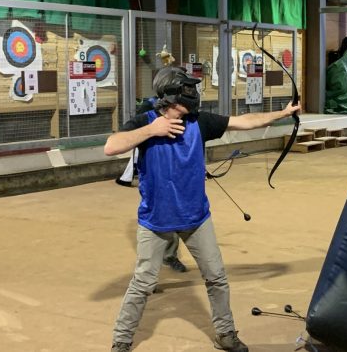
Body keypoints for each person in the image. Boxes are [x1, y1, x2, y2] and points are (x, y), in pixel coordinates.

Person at [106, 66, 300, 352]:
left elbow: (243, 121)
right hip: (156, 221)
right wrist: (152, 130)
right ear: (169, 96)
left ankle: (225, 334)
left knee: (217, 278)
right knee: (143, 283)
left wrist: (282, 114)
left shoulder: (200, 122)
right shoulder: (144, 122)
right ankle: (121, 342)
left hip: (196, 218)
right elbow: (111, 147)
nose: (192, 95)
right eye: (185, 90)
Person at [115, 97, 189, 273]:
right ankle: (148, 273)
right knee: (153, 224)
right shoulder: (150, 107)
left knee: (174, 214)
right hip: (153, 176)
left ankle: (170, 255)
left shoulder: (182, 108)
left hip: (175, 171)